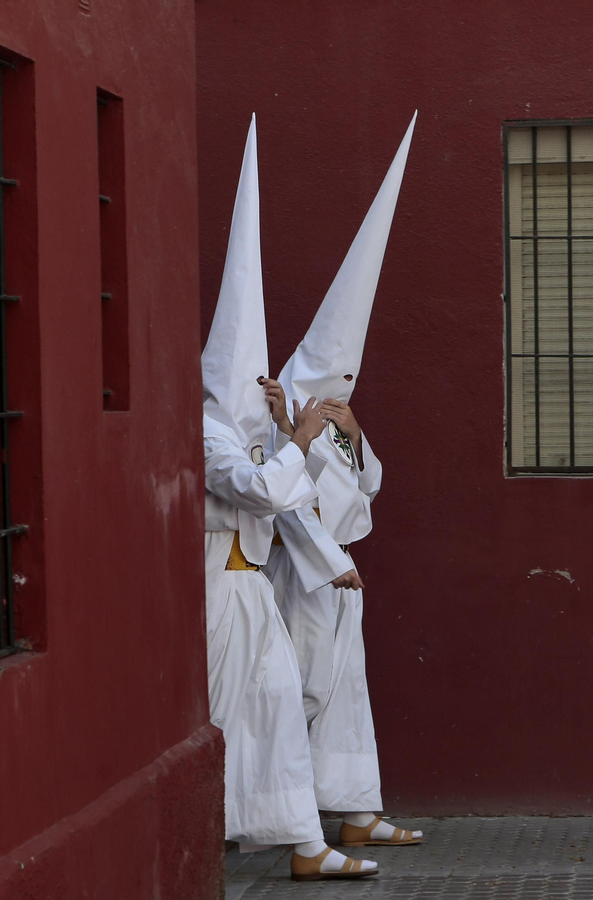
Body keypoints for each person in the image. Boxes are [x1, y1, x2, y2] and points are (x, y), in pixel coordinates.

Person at [201, 116, 378, 881]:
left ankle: (304, 843)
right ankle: (234, 826)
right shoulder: (208, 438)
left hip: (253, 595)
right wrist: (295, 435)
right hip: (220, 590)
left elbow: (356, 482)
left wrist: (293, 431)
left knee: (274, 709)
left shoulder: (252, 433)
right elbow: (272, 492)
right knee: (226, 714)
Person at [262, 113, 424, 849]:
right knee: (303, 691)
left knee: (348, 695)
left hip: (343, 577)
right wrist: (334, 565)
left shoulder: (335, 416)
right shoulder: (283, 412)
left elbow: (372, 487)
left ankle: (357, 810)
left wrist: (356, 438)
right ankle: (288, 824)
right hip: (309, 579)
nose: (340, 386)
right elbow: (285, 503)